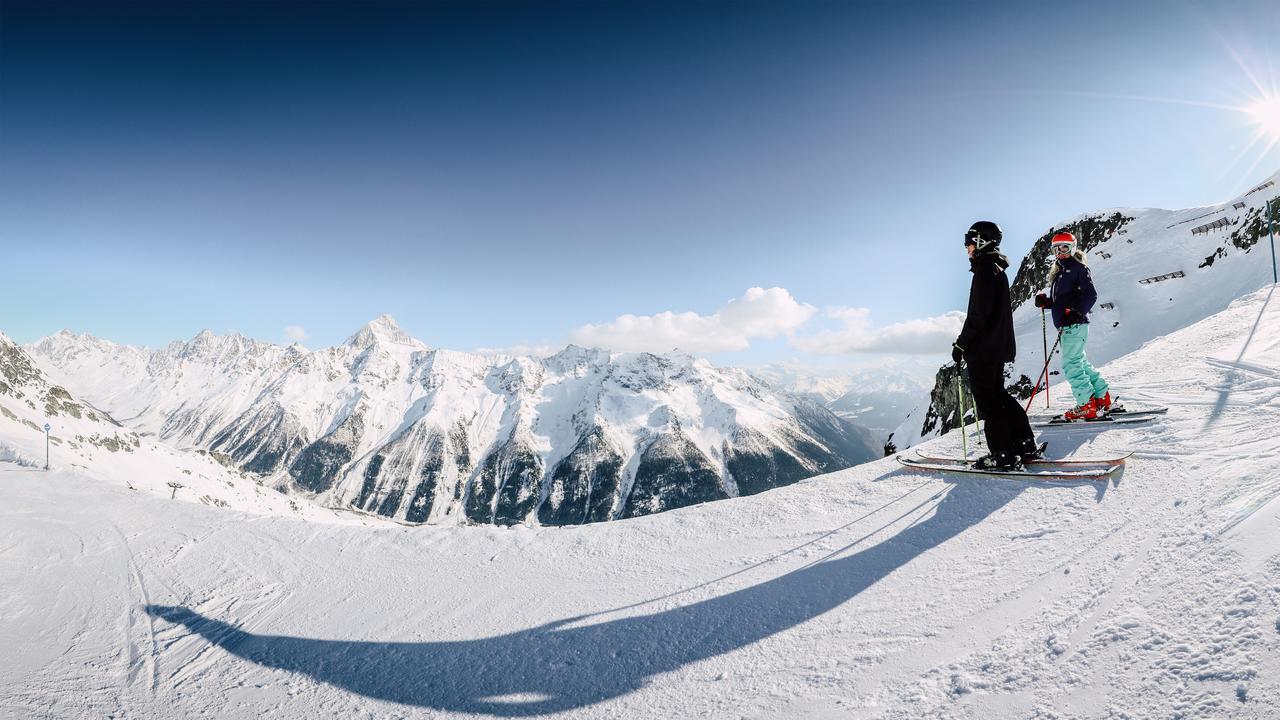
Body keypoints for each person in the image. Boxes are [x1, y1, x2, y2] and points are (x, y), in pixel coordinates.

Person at [952, 221, 1041, 470]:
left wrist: (961, 344)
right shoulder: (995, 269)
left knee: (989, 402)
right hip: (995, 347)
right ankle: (1024, 443)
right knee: (999, 396)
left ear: (981, 241)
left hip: (983, 349)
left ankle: (1003, 454)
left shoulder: (985, 271)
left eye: (969, 242)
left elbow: (978, 315)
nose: (967, 248)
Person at [1034, 231, 1111, 420]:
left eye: (1065, 247)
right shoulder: (1061, 270)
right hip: (1071, 325)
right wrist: (1048, 302)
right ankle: (1102, 398)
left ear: (1073, 247)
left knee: (1071, 364)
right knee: (1080, 362)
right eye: (1056, 249)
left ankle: (1086, 405)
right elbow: (1066, 300)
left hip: (1074, 325)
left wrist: (1076, 313)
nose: (1060, 251)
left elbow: (1090, 294)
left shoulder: (1078, 268)